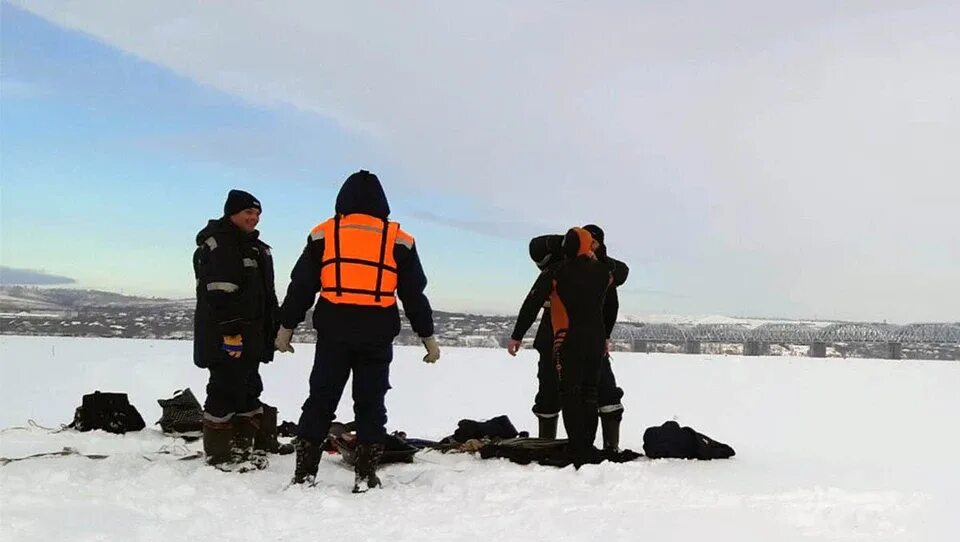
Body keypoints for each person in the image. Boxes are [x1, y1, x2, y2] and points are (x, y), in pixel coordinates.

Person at [275, 170, 439, 491]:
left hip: (333, 332)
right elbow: (413, 294)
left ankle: (304, 474)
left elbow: (302, 286)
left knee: (320, 401)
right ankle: (365, 475)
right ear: (383, 203)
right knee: (370, 404)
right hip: (377, 334)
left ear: (343, 200)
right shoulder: (399, 239)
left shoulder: (324, 233)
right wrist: (427, 336)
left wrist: (287, 326)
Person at [508, 227, 612, 467]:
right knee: (590, 392)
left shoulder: (556, 271)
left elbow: (532, 303)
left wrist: (517, 335)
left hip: (568, 340)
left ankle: (577, 447)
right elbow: (611, 303)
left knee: (571, 392)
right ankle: (587, 444)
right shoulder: (603, 272)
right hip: (595, 341)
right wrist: (606, 336)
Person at [192, 189, 280, 469]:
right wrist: (230, 334)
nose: (253, 218)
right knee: (224, 390)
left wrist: (274, 331)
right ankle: (219, 454)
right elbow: (219, 295)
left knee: (248, 388)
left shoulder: (256, 247)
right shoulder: (221, 244)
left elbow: (265, 297)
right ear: (232, 213)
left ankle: (243, 447)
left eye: (256, 214)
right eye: (248, 213)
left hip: (252, 336)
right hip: (226, 336)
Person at [527, 224, 629, 451]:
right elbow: (535, 247)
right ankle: (547, 445)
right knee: (549, 392)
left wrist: (595, 253)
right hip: (555, 339)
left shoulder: (601, 268)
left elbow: (622, 272)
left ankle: (608, 446)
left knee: (603, 392)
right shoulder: (559, 262)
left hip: (590, 339)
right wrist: (570, 242)